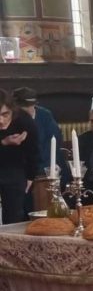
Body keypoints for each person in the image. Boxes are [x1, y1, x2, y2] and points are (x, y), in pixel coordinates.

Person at [0, 89, 38, 223]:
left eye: (5, 114)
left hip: (15, 169)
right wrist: (4, 142)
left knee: (14, 214)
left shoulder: (24, 120)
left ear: (12, 110)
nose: (1, 120)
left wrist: (30, 177)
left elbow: (33, 151)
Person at [12, 87, 61, 178]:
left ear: (34, 105)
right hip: (18, 171)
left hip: (43, 170)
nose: (25, 110)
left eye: (28, 106)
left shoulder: (45, 116)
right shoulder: (10, 118)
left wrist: (38, 171)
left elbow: (52, 146)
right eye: (22, 107)